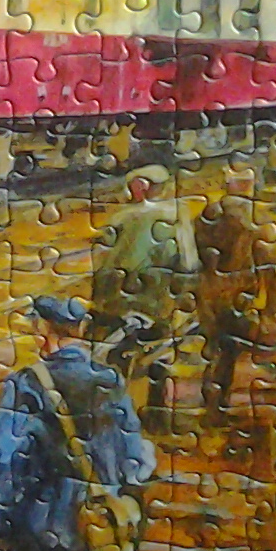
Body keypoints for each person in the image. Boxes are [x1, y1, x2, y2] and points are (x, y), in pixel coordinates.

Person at [0, 296, 155, 551]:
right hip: (89, 519)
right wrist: (124, 488)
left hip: (31, 518)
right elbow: (134, 455)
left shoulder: (25, 383)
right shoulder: (109, 381)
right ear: (80, 329)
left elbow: (2, 453)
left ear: (43, 330)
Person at [90, 165, 195, 429]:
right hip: (157, 303)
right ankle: (157, 416)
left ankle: (111, 415)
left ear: (139, 189)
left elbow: (99, 261)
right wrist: (183, 294)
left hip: (114, 303)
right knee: (159, 355)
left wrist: (99, 297)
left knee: (113, 357)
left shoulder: (118, 219)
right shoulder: (176, 216)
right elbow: (188, 262)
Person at [194, 165, 276, 427]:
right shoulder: (247, 223)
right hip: (227, 300)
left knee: (221, 351)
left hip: (213, 299)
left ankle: (215, 406)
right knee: (225, 351)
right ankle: (216, 407)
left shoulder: (207, 218)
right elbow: (266, 265)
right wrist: (271, 308)